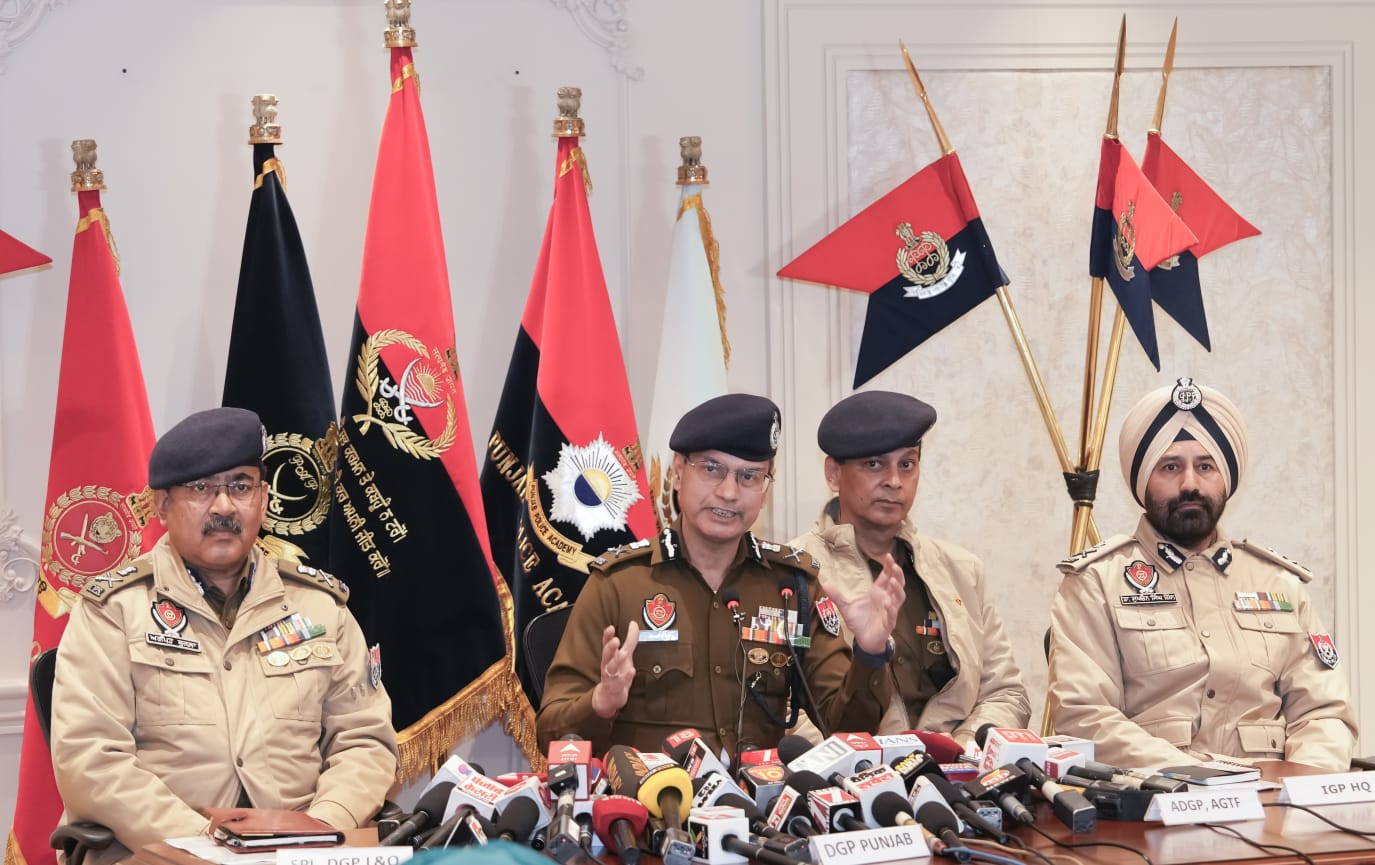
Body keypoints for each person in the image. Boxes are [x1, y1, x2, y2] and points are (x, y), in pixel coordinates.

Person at [51, 407, 398, 861]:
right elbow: (90, 759)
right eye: (201, 489)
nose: (224, 507)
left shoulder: (320, 607)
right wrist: (209, 844)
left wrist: (322, 827)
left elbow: (365, 740)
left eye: (240, 486)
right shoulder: (113, 611)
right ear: (162, 505)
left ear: (264, 498)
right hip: (163, 849)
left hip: (303, 848)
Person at [536, 394, 903, 755]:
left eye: (749, 476)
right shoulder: (618, 585)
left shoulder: (793, 587)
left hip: (759, 793)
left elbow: (847, 731)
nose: (729, 492)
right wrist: (601, 702)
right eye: (711, 469)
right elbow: (550, 733)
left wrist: (870, 652)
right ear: (679, 471)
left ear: (766, 488)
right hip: (656, 794)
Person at [1049, 377, 1356, 770]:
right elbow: (1085, 717)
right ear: (1143, 482)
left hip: (1274, 798)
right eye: (1170, 466)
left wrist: (1302, 783)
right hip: (1155, 797)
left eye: (1205, 466)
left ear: (1225, 479)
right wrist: (1205, 780)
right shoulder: (1095, 582)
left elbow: (1324, 712)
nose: (1190, 484)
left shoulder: (1279, 583)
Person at [790, 391, 1030, 746]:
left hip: (959, 769)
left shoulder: (961, 571)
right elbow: (780, 710)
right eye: (874, 464)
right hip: (849, 770)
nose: (894, 481)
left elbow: (1006, 692)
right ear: (834, 473)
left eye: (907, 464)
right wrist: (861, 760)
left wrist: (959, 751)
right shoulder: (791, 573)